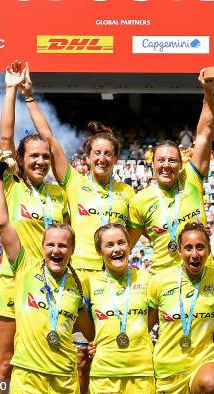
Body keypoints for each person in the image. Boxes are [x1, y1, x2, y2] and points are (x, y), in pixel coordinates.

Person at [0, 60, 69, 394]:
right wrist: (11, 91)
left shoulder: (59, 194)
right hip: (13, 281)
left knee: (43, 361)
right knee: (4, 363)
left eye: (44, 157)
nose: (39, 161)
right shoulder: (12, 185)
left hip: (51, 287)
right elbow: (5, 139)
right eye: (33, 156)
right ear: (21, 160)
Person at [0, 155, 93, 394]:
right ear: (42, 247)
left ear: (72, 250)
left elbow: (89, 334)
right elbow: (3, 222)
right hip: (28, 382)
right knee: (2, 364)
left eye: (63, 246)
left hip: (64, 383)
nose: (56, 250)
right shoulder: (25, 267)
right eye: (51, 245)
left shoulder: (78, 284)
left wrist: (96, 343)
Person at [20, 64, 135, 275]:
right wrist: (29, 98)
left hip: (112, 273)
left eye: (108, 154)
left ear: (116, 159)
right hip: (79, 271)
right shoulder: (74, 182)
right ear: (88, 157)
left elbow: (133, 233)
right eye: (97, 153)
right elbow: (50, 140)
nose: (102, 159)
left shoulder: (127, 192)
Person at [128, 72, 214, 273]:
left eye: (172, 160)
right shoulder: (139, 201)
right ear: (152, 163)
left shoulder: (192, 179)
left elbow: (204, 134)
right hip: (163, 280)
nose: (166, 165)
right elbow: (125, 247)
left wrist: (208, 93)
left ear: (181, 163)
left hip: (202, 275)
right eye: (161, 160)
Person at [147, 223, 214, 394]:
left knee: (212, 383)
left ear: (208, 250)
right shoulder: (160, 282)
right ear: (179, 252)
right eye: (188, 248)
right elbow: (144, 327)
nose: (194, 254)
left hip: (204, 360)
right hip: (168, 369)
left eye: (200, 247)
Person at [85, 224, 155, 394]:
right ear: (99, 251)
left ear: (129, 246)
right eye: (109, 245)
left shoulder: (147, 280)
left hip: (142, 373)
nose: (117, 249)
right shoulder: (89, 283)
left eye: (121, 243)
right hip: (104, 375)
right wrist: (95, 342)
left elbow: (155, 320)